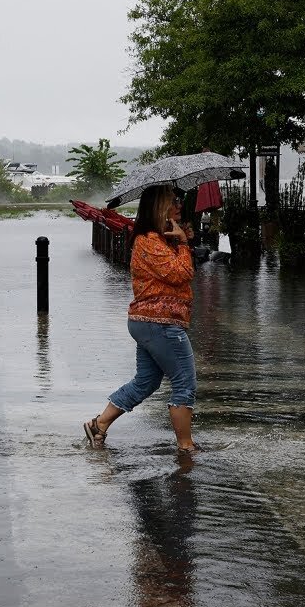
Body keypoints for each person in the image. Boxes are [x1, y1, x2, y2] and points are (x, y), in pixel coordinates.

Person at [84, 184, 201, 454]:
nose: (179, 206)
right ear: (159, 206)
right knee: (184, 383)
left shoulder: (158, 239)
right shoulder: (148, 240)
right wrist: (183, 244)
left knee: (146, 382)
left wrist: (180, 240)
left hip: (150, 322)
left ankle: (98, 425)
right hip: (160, 323)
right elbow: (181, 274)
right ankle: (186, 447)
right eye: (174, 201)